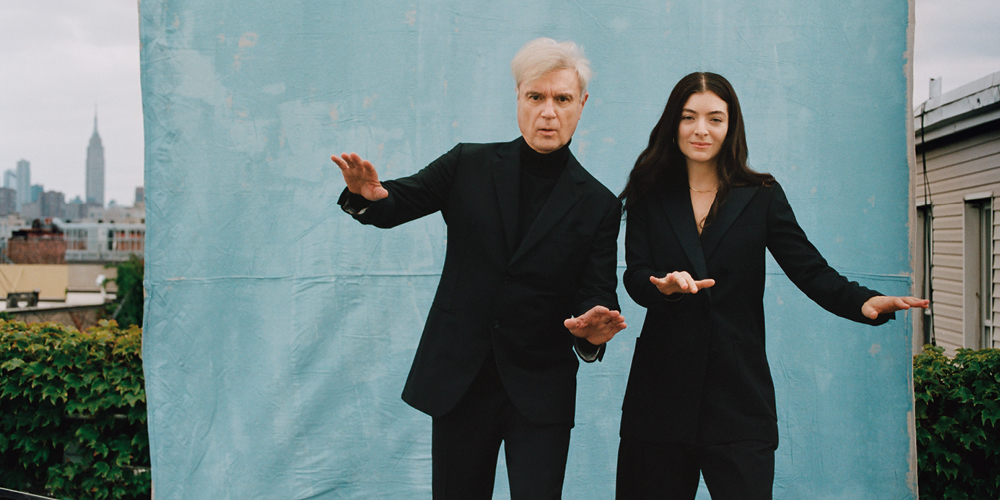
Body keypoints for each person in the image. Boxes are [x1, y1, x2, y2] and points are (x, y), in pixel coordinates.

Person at [330, 38, 626, 500]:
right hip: (460, 380)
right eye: (536, 97)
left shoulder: (599, 205)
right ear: (518, 99)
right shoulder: (468, 163)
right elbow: (398, 199)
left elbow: (595, 295)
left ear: (582, 105)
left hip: (539, 388)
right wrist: (370, 197)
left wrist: (590, 335)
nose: (548, 112)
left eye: (562, 99)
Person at [614, 72, 928, 499]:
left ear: (731, 126)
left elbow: (809, 268)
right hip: (660, 397)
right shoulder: (650, 191)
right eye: (688, 118)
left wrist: (865, 301)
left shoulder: (759, 194)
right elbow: (635, 275)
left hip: (738, 398)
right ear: (673, 123)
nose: (701, 130)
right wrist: (662, 287)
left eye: (715, 119)